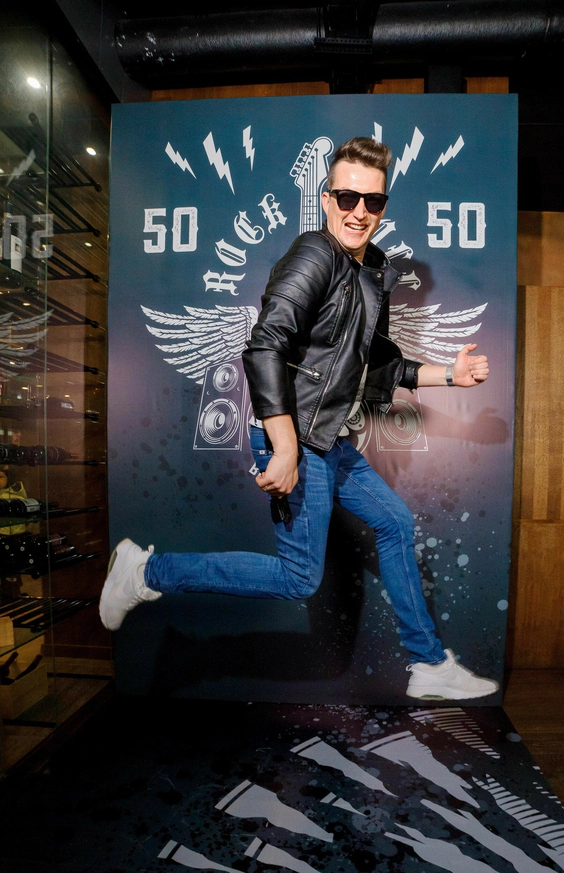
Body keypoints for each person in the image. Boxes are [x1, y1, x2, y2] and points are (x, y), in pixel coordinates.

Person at [100, 136, 498, 701]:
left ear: (383, 207)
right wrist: (285, 447)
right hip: (297, 439)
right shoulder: (315, 254)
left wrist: (450, 376)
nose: (359, 212)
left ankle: (429, 663)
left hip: (328, 440)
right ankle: (144, 572)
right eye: (347, 198)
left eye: (373, 201)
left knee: (394, 523)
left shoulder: (369, 271)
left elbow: (374, 365)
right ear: (327, 199)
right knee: (298, 579)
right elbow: (264, 346)